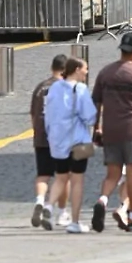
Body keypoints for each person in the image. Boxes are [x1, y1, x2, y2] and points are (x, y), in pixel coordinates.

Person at [90, 31, 132, 233]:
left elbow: (97, 103)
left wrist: (96, 128)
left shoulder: (105, 73)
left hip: (111, 129)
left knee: (112, 174)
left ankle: (102, 201)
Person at [43, 56, 96, 233]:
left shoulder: (54, 88)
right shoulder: (80, 90)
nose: (86, 72)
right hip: (77, 140)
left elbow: (48, 114)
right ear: (76, 70)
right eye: (85, 69)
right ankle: (75, 221)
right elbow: (90, 116)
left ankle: (48, 206)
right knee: (77, 180)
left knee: (61, 176)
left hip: (58, 140)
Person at [29, 54, 69, 229]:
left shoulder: (40, 88)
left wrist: (37, 132)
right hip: (60, 137)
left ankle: (39, 201)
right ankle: (61, 212)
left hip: (41, 137)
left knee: (43, 175)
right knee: (63, 176)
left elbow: (33, 114)